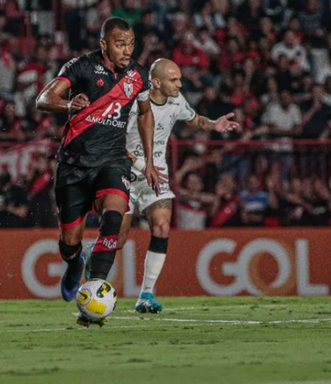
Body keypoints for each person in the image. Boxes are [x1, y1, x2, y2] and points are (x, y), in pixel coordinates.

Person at [35, 17, 160, 314]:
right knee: (69, 242)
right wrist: (67, 105)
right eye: (120, 45)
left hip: (113, 160)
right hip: (74, 164)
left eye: (131, 44)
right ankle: (74, 261)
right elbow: (43, 99)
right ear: (104, 44)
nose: (127, 50)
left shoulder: (138, 77)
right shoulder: (80, 67)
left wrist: (150, 160)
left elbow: (145, 114)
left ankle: (94, 290)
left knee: (114, 219)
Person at [94, 59, 238, 314]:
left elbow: (194, 120)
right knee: (117, 240)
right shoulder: (135, 103)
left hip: (156, 177)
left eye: (180, 79)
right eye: (174, 80)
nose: (180, 84)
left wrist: (214, 124)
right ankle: (92, 278)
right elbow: (115, 144)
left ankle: (146, 295)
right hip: (126, 174)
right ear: (156, 82)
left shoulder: (176, 100)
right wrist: (143, 167)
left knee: (161, 226)